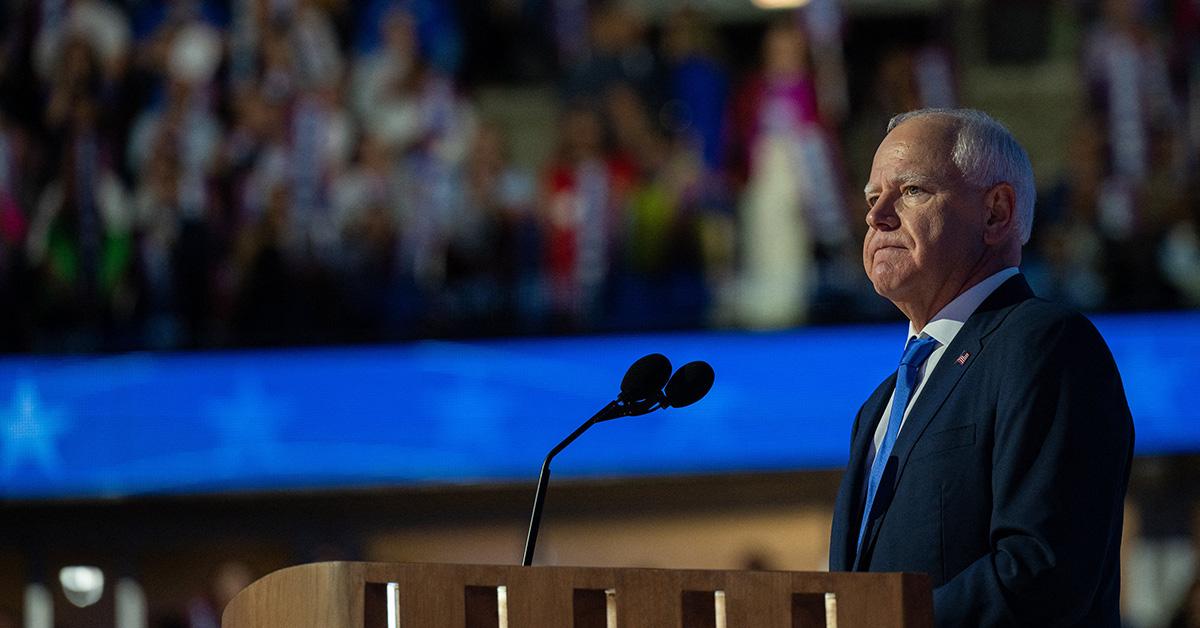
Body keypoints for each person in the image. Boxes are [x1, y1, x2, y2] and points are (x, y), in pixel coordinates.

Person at [827, 108, 1134, 627]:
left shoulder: (1046, 345)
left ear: (995, 213)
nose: (877, 216)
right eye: (871, 197)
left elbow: (1040, 572)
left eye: (912, 191)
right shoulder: (878, 406)